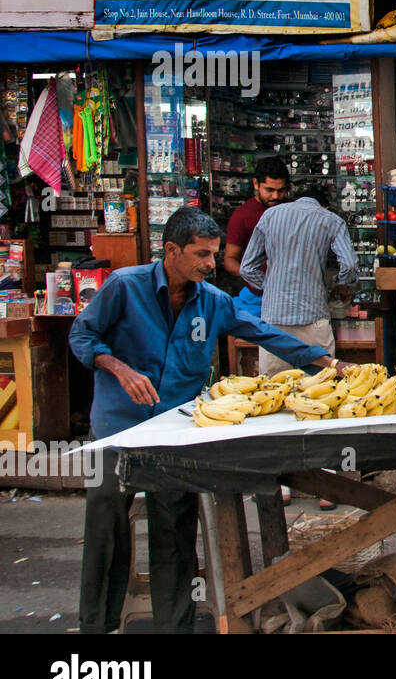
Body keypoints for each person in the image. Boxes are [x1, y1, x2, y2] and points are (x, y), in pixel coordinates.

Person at [70, 208, 351, 634]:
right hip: (119, 428)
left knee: (175, 532)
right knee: (106, 522)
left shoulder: (214, 301)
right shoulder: (126, 287)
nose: (209, 263)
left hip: (176, 431)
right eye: (201, 254)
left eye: (214, 255)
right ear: (171, 251)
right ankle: (97, 626)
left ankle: (174, 626)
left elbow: (266, 334)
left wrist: (327, 362)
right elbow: (82, 336)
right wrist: (119, 368)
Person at [240, 186, 360, 376]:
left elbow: (246, 268)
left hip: (274, 323)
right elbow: (350, 265)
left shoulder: (270, 216)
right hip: (313, 320)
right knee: (319, 392)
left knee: (273, 393)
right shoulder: (330, 220)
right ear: (325, 207)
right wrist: (341, 283)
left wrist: (270, 287)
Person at [224, 157, 289, 318]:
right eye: (269, 190)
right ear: (255, 184)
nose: (275, 196)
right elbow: (230, 260)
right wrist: (256, 278)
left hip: (290, 296)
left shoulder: (292, 209)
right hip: (257, 297)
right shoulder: (242, 216)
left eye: (281, 191)